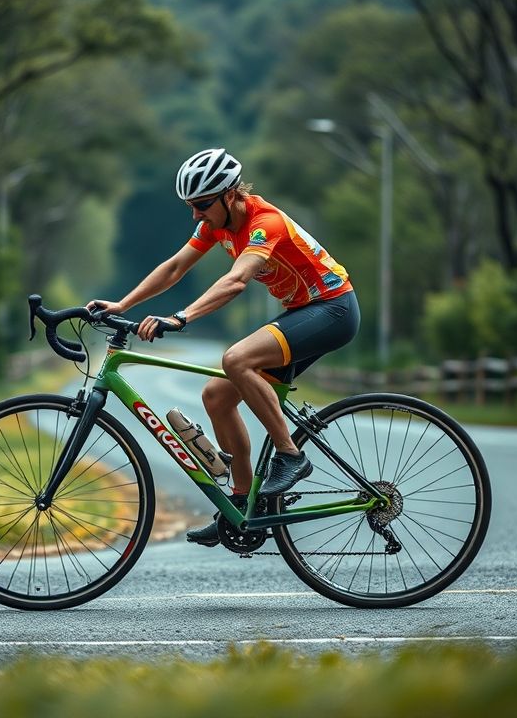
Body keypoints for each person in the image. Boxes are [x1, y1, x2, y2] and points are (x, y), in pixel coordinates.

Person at [89, 148, 360, 547]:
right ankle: (242, 505)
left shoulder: (264, 223)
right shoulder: (218, 224)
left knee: (236, 359)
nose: (195, 215)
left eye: (201, 205)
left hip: (332, 309)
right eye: (190, 206)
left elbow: (236, 281)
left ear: (229, 195)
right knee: (216, 396)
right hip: (302, 311)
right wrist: (123, 304)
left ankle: (291, 456)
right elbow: (175, 266)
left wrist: (182, 317)